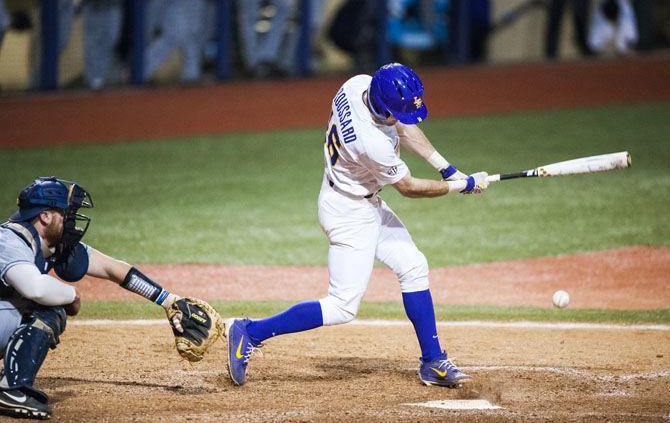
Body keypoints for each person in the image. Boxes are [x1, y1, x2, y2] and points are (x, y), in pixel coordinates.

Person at [225, 63, 489, 388]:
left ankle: (432, 361)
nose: (400, 117)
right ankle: (250, 331)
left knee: (413, 265)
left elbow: (403, 127)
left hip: (360, 199)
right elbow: (408, 187)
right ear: (382, 106)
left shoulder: (358, 85)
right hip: (349, 214)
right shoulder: (371, 142)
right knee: (341, 307)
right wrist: (460, 186)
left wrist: (448, 170)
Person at [0, 177, 216, 419]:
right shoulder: (11, 240)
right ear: (46, 216)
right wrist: (72, 295)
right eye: (66, 213)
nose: (71, 220)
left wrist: (168, 301)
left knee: (46, 305)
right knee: (48, 308)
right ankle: (11, 389)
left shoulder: (52, 245)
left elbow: (114, 269)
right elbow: (35, 289)